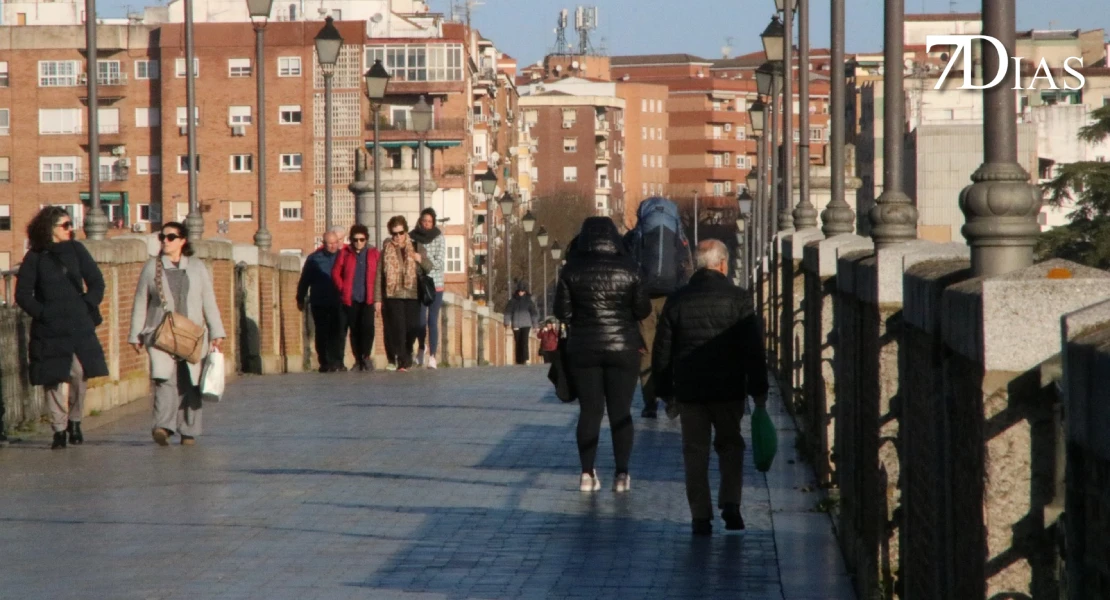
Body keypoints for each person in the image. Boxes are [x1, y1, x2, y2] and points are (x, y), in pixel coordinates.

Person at [651, 239, 769, 536]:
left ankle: (700, 516)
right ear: (723, 264)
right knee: (731, 445)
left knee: (695, 451)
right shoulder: (739, 299)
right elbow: (752, 349)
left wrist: (665, 390)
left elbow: (662, 349)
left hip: (690, 390)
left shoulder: (678, 300)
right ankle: (731, 502)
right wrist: (759, 388)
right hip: (729, 388)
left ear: (697, 265)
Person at [555, 216, 651, 493]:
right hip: (623, 348)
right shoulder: (630, 268)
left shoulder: (571, 270)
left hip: (584, 349)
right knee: (621, 412)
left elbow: (562, 312)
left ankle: (587, 474)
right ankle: (621, 474)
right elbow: (642, 310)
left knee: (590, 411)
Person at [15, 206, 109, 449]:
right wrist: (43, 313)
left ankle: (75, 420)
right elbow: (23, 294)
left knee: (79, 372)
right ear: (50, 229)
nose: (70, 229)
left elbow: (97, 282)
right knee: (53, 377)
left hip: (78, 324)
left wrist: (86, 304)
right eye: (65, 225)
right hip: (50, 327)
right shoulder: (35, 257)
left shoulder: (77, 250)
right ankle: (58, 429)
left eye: (70, 224)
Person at [129, 222, 226, 446]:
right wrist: (135, 334)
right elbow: (141, 301)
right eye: (162, 237)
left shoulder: (197, 267)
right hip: (160, 332)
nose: (165, 241)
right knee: (164, 379)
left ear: (183, 241)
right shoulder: (152, 267)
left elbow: (209, 301)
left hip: (191, 334)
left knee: (191, 382)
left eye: (171, 237)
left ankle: (188, 431)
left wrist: (217, 331)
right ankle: (163, 427)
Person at [625, 196, 693, 418]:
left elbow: (627, 266)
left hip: (643, 298)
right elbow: (687, 267)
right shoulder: (678, 236)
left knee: (647, 350)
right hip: (671, 298)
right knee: (671, 347)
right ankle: (671, 397)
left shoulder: (635, 236)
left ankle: (650, 402)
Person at [374, 216, 432, 372]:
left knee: (412, 327)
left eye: (400, 233)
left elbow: (429, 267)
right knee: (398, 328)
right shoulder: (386, 250)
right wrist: (377, 299)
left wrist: (419, 259)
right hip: (393, 295)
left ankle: (407, 351)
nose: (397, 237)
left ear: (405, 232)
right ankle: (402, 361)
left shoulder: (416, 246)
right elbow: (379, 276)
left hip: (412, 293)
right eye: (394, 234)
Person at [333, 224, 379, 372]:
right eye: (355, 240)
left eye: (362, 239)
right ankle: (358, 359)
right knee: (354, 330)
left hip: (368, 297)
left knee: (368, 328)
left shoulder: (373, 253)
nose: (358, 243)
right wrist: (343, 288)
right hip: (351, 298)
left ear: (366, 239)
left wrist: (378, 298)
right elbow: (336, 273)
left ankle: (366, 356)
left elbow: (379, 275)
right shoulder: (345, 253)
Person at [297, 230, 345, 372]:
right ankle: (325, 361)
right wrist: (300, 297)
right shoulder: (314, 259)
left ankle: (338, 361)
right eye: (330, 243)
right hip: (320, 300)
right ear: (323, 243)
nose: (333, 246)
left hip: (338, 300)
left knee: (338, 332)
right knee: (322, 332)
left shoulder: (343, 257)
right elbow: (305, 280)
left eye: (335, 243)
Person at [410, 208, 445, 369]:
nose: (426, 224)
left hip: (435, 284)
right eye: (424, 221)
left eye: (429, 221)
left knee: (432, 320)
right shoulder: (412, 237)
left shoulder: (439, 238)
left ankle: (432, 356)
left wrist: (422, 259)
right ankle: (421, 348)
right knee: (420, 321)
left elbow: (439, 262)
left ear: (433, 223)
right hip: (419, 283)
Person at [504, 281, 539, 365]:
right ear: (517, 291)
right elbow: (508, 312)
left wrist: (535, 325)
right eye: (520, 291)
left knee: (524, 341)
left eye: (522, 291)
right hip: (516, 324)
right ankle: (519, 359)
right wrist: (507, 322)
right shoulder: (512, 301)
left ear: (525, 291)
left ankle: (525, 358)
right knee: (518, 341)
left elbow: (533, 314)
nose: (521, 292)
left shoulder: (529, 301)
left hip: (526, 324)